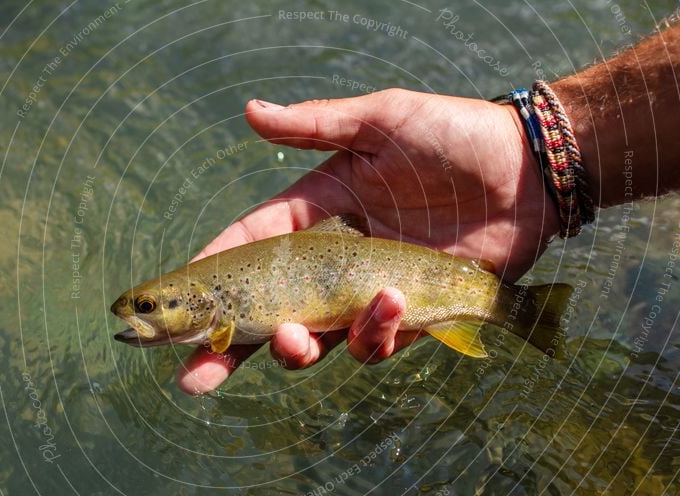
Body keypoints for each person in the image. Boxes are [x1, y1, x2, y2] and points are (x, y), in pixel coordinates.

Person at [177, 19, 680, 394]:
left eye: (149, 307)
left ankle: (517, 307)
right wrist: (535, 156)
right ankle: (514, 307)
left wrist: (526, 156)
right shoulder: (220, 304)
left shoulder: (220, 315)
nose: (141, 314)